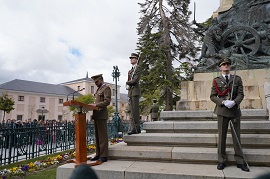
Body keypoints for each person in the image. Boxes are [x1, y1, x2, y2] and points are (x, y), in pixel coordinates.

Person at [210, 57, 249, 172]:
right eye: (223, 64)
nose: (226, 65)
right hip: (222, 111)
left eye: (228, 64)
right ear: (220, 67)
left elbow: (241, 94)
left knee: (236, 137)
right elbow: (212, 96)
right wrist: (222, 102)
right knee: (222, 137)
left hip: (234, 111)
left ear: (230, 66)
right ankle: (222, 160)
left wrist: (234, 102)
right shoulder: (216, 80)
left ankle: (240, 161)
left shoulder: (237, 79)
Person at [89, 74, 111, 166]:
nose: (96, 83)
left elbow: (107, 101)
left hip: (102, 114)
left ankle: (104, 155)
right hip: (96, 114)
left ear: (101, 79)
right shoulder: (98, 89)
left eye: (97, 81)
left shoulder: (106, 88)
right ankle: (98, 154)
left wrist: (96, 105)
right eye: (95, 82)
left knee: (102, 136)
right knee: (97, 136)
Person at [126, 53, 141, 135]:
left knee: (135, 110)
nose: (131, 59)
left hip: (135, 91)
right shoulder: (131, 70)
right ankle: (135, 127)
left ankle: (136, 127)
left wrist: (127, 82)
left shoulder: (137, 68)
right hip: (131, 91)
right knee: (131, 110)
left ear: (136, 59)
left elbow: (135, 80)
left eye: (133, 58)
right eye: (131, 58)